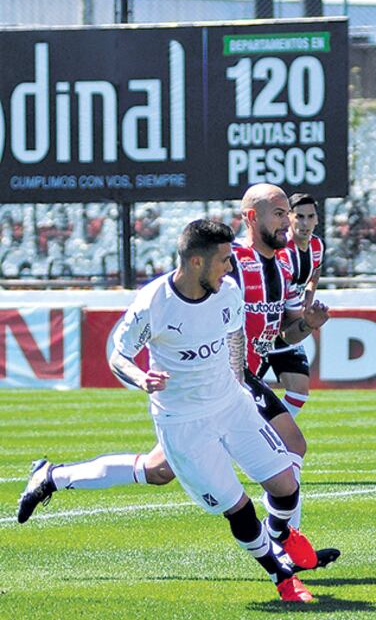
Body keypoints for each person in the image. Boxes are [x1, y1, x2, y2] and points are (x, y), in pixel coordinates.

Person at [20, 220, 317, 601]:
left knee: (285, 484)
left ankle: (281, 537)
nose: (230, 268)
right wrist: (141, 378)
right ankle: (281, 577)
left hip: (230, 406)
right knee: (236, 508)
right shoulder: (153, 303)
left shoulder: (227, 291)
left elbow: (234, 334)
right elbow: (118, 355)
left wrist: (239, 384)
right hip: (184, 422)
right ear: (196, 261)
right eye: (225, 260)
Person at [262, 193, 325, 416]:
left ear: (317, 219)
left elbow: (315, 271)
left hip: (286, 328)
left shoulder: (317, 245)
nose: (305, 223)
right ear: (289, 218)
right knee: (239, 395)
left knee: (299, 392)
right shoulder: (282, 252)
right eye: (299, 216)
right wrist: (304, 320)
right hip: (263, 329)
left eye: (310, 217)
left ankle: (271, 438)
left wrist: (309, 293)